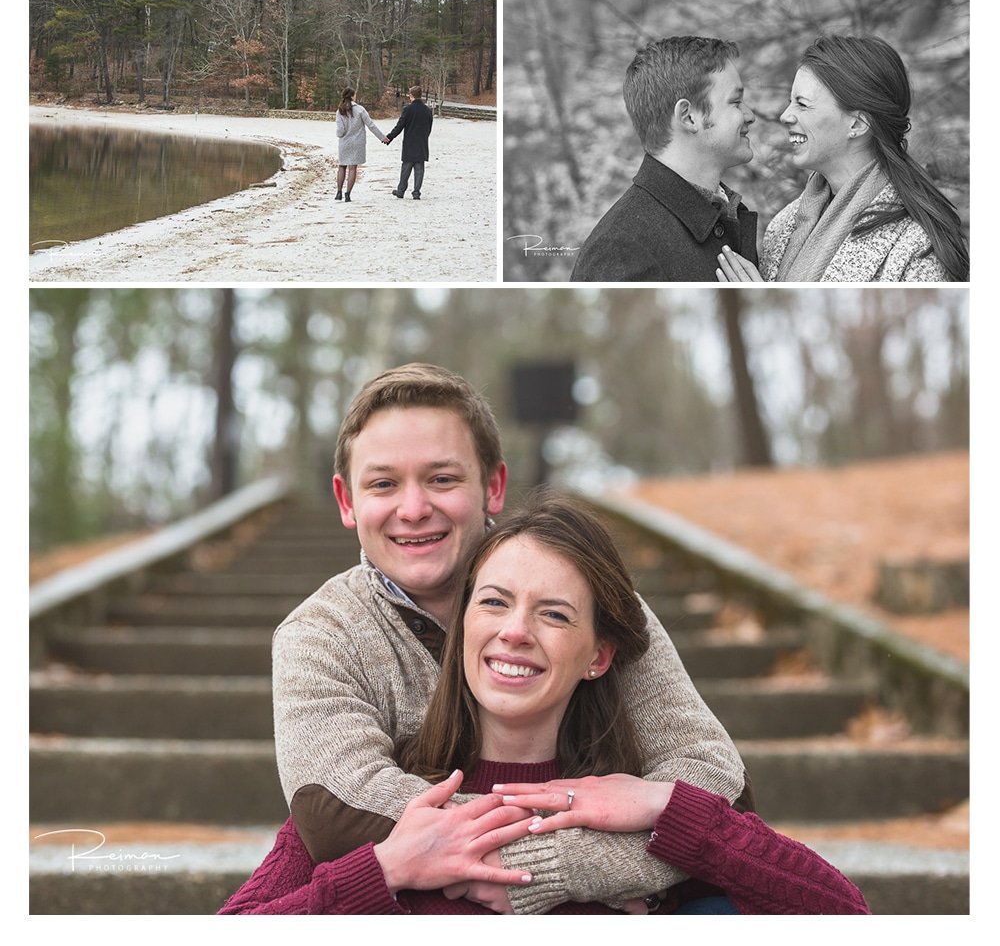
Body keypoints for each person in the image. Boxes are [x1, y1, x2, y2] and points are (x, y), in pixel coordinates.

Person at [221, 494, 869, 916]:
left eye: (553, 614)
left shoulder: (648, 824)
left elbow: (845, 915)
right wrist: (386, 870)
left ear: (598, 654)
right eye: (494, 602)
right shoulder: (403, 808)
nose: (515, 632)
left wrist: (665, 805)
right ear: (461, 625)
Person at [264, 363, 748, 912]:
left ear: (493, 485)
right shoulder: (319, 635)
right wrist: (621, 854)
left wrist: (568, 869)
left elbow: (713, 781)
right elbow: (337, 816)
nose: (414, 508)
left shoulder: (590, 597)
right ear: (347, 501)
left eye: (443, 479)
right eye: (383, 483)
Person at [716, 34, 969, 285]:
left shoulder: (918, 246)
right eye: (790, 101)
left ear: (857, 124)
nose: (785, 115)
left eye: (802, 104)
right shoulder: (783, 226)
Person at [571, 37, 758, 282]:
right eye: (735, 102)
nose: (750, 115)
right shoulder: (620, 252)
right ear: (689, 117)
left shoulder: (726, 215)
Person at [335, 89, 387, 202]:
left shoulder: (340, 111)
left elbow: (340, 131)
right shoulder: (360, 110)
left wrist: (340, 134)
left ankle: (338, 193)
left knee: (342, 166)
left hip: (344, 143)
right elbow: (371, 125)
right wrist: (382, 138)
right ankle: (347, 194)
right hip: (357, 143)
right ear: (353, 96)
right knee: (353, 168)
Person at [385, 87, 433, 200]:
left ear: (411, 95)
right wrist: (424, 137)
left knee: (406, 168)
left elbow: (400, 126)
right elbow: (429, 127)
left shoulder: (408, 109)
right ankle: (416, 192)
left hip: (409, 143)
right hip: (422, 142)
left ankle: (401, 190)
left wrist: (389, 137)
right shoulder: (427, 110)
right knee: (419, 169)